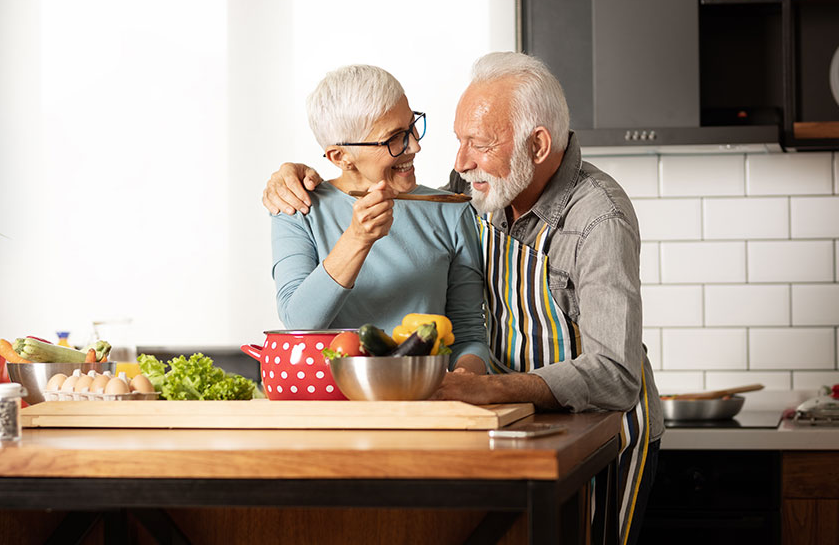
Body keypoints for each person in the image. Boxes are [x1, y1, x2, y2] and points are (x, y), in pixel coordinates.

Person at [262, 52, 663, 545]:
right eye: (456, 140)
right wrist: (291, 172)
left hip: (600, 427)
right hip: (510, 420)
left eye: (478, 144)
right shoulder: (472, 190)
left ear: (536, 145)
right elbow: (303, 305)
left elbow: (614, 374)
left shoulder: (596, 219)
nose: (457, 162)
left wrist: (486, 388)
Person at [271, 64, 489, 369]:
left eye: (412, 126)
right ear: (341, 156)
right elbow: (299, 322)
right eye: (394, 138)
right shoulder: (299, 209)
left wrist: (463, 381)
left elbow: (467, 334)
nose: (415, 145)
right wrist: (357, 239)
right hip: (332, 405)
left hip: (427, 399)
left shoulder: (450, 209)